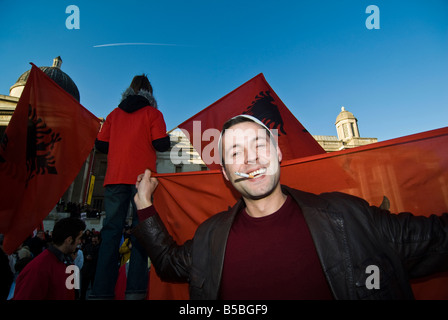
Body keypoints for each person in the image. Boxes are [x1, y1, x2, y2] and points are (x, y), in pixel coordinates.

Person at [132, 114, 448, 300]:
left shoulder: (350, 217)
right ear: (226, 173)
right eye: (235, 152)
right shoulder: (208, 238)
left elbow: (438, 238)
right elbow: (168, 263)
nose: (251, 159)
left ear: (278, 154)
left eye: (259, 145)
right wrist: (144, 205)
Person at [90, 74, 170, 300]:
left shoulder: (113, 115)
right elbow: (161, 144)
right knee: (141, 233)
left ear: (129, 90)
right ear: (150, 93)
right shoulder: (153, 114)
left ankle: (101, 291)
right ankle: (135, 290)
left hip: (115, 178)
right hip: (141, 180)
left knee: (110, 234)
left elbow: (100, 145)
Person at [13, 217, 86, 300]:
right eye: (79, 238)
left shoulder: (68, 263)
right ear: (69, 240)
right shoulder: (39, 267)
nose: (80, 242)